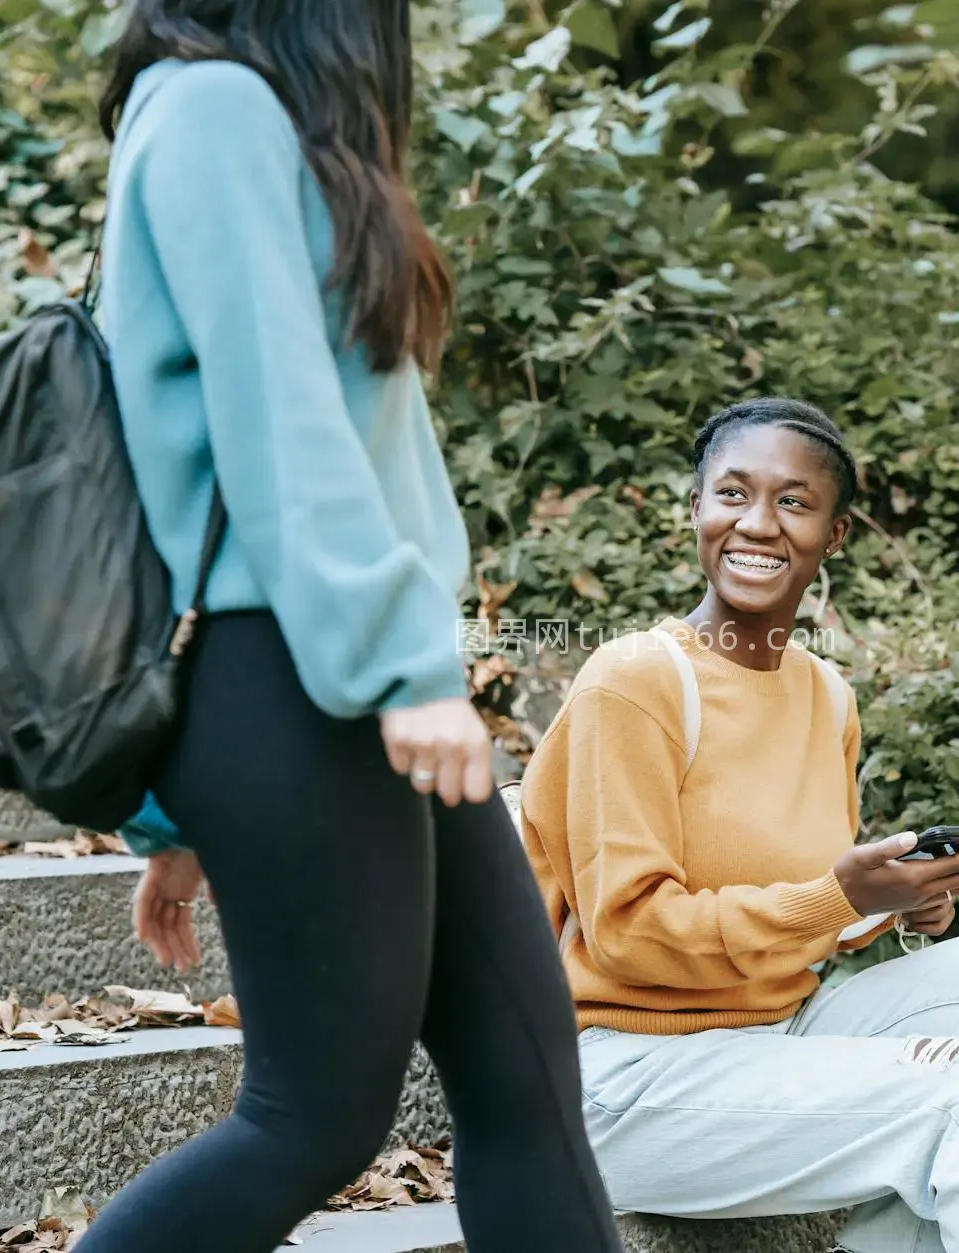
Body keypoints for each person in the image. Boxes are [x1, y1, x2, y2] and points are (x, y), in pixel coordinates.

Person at [72, 5, 623, 1251]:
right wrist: (397, 666)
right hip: (297, 673)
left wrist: (404, 659)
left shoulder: (274, 123)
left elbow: (361, 445)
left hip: (344, 673)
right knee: (314, 1115)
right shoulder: (209, 109)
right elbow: (274, 428)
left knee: (526, 1077)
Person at [517, 397, 959, 1253]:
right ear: (696, 510)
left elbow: (807, 908)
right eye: (732, 494)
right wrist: (836, 897)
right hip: (618, 1080)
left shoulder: (826, 693)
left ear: (833, 535)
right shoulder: (634, 681)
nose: (757, 523)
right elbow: (629, 936)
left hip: (773, 1034)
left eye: (793, 502)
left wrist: (896, 902)